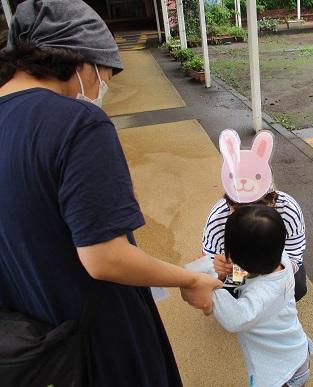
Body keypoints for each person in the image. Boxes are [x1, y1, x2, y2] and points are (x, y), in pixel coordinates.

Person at [0, 1, 221, 386]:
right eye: (106, 73)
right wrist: (189, 280)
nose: (104, 86)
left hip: (28, 346)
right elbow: (105, 258)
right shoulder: (77, 124)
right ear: (81, 60)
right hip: (101, 345)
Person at [196, 205, 313, 387]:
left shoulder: (259, 296)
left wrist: (208, 278)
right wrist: (230, 271)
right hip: (297, 352)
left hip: (280, 375)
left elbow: (235, 319)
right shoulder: (282, 260)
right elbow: (251, 274)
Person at [202, 129, 308, 301]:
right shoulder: (217, 217)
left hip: (276, 269)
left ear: (271, 200)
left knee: (297, 287)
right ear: (229, 201)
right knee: (228, 294)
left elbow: (295, 253)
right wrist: (218, 271)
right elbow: (211, 265)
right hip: (237, 276)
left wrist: (271, 271)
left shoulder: (287, 208)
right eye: (239, 209)